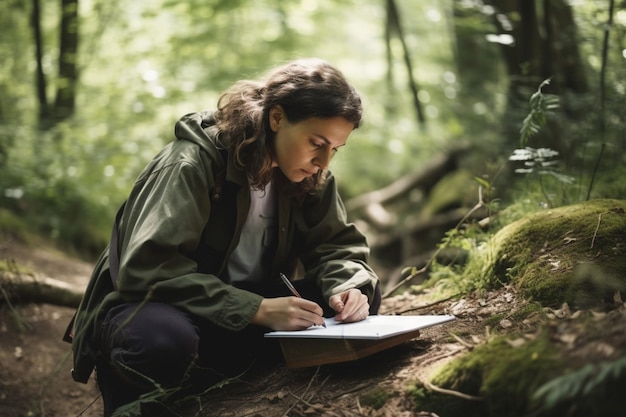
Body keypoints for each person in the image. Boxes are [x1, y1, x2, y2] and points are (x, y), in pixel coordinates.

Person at [64, 58, 381, 416]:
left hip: (240, 314)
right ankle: (143, 397)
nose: (324, 161)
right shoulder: (191, 164)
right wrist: (256, 310)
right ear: (277, 118)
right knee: (164, 341)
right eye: (316, 143)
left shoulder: (311, 176)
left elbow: (337, 246)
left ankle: (220, 376)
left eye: (334, 150)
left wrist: (347, 287)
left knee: (358, 301)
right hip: (159, 307)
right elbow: (146, 270)